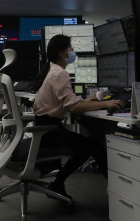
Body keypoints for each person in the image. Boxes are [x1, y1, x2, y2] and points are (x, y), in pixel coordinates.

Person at [33, 34, 124, 200]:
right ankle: (117, 190)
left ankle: (58, 183)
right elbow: (74, 107)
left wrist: (85, 101)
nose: (73, 51)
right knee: (93, 146)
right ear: (62, 53)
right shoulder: (60, 74)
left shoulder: (52, 70)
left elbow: (67, 102)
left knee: (86, 147)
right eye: (70, 48)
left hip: (44, 128)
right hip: (50, 131)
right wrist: (105, 103)